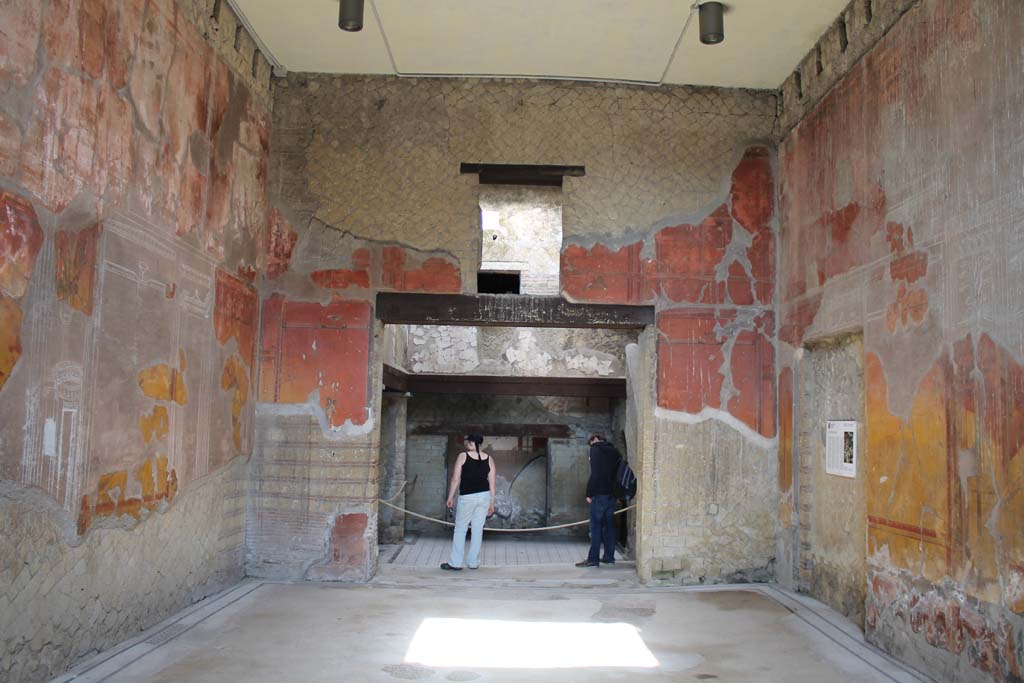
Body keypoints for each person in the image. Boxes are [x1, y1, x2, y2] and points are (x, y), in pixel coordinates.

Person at [441, 434, 496, 571]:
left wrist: (450, 497)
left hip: (467, 497)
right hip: (484, 497)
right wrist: (492, 503)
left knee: (460, 529)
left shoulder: (463, 456)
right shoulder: (489, 459)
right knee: (477, 530)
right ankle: (472, 562)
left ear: (471, 442)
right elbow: (492, 485)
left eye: (468, 441)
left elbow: (455, 479)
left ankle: (456, 563)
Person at [575, 433, 622, 568]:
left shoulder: (595, 449)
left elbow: (595, 473)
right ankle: (609, 557)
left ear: (595, 440)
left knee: (595, 527)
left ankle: (593, 559)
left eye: (591, 442)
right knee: (609, 527)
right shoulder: (615, 451)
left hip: (599, 494)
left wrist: (589, 493)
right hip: (612, 495)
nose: (592, 445)